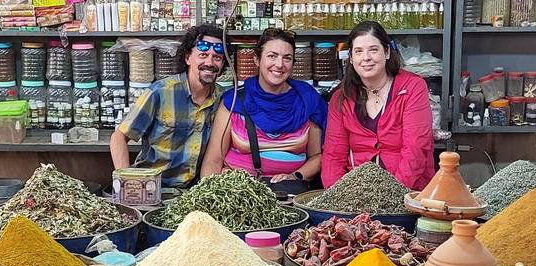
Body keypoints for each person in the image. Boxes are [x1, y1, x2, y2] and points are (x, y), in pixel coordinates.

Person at [201, 28, 327, 195]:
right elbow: (213, 160)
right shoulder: (234, 101)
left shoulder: (307, 99)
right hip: (238, 192)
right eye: (272, 56)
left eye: (287, 58)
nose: (279, 64)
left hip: (289, 194)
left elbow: (317, 156)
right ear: (257, 60)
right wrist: (210, 197)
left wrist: (295, 176)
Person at [109, 24, 227, 188]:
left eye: (217, 58)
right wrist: (127, 182)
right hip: (152, 188)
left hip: (192, 192)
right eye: (203, 55)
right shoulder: (161, 93)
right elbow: (119, 137)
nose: (210, 62)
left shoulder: (224, 100)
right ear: (187, 58)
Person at [321, 21, 434, 191]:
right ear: (351, 58)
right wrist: (336, 197)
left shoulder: (412, 87)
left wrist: (394, 196)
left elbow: (415, 150)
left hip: (408, 191)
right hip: (356, 192)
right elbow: (333, 156)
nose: (366, 58)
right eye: (358, 51)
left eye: (373, 50)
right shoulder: (341, 98)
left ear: (387, 52)